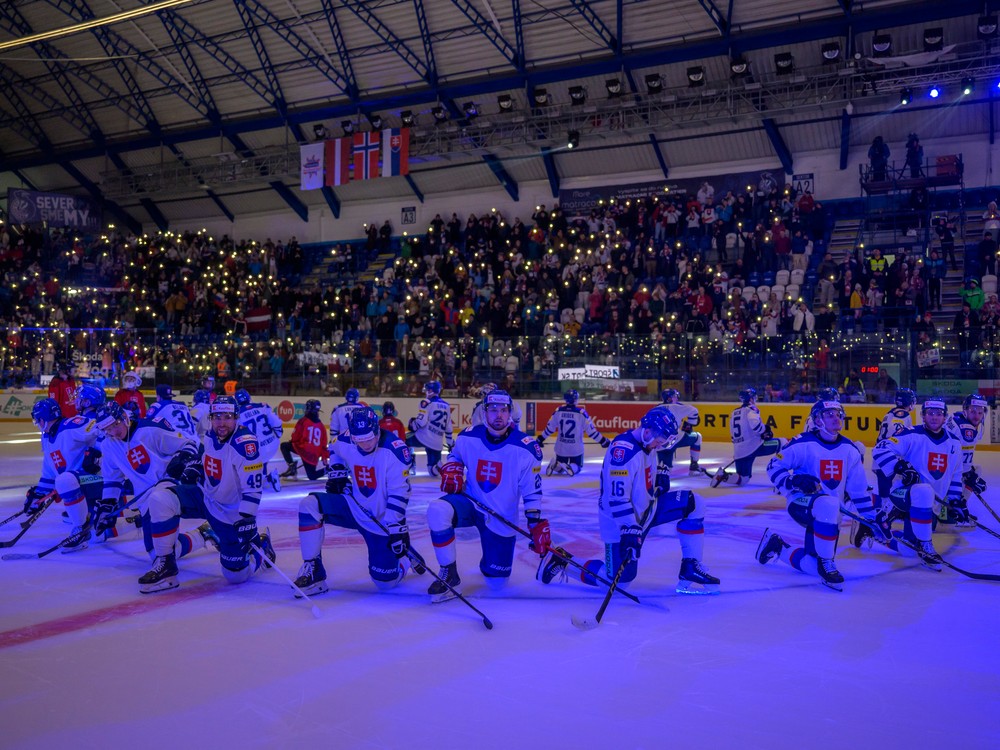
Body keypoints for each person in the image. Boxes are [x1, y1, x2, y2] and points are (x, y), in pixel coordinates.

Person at [539, 408, 720, 595]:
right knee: (618, 583)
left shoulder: (646, 442)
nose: (659, 446)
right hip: (620, 522)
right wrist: (629, 527)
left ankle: (690, 567)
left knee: (695, 504)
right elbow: (616, 498)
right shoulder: (623, 453)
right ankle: (563, 561)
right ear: (648, 431)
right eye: (659, 441)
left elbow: (640, 474)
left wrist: (658, 477)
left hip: (647, 509)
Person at [141, 396, 274, 594]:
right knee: (160, 499)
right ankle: (166, 566)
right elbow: (211, 464)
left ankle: (261, 548)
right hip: (205, 497)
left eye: (227, 417)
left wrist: (248, 521)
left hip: (230, 514)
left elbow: (253, 488)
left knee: (235, 576)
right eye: (217, 417)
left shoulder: (245, 444)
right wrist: (195, 466)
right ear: (211, 418)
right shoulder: (211, 434)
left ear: (236, 418)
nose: (222, 423)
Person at [425, 390, 549, 601]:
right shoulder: (468, 436)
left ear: (510, 413)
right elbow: (455, 455)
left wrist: (535, 521)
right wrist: (453, 467)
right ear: (484, 413)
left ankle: (490, 561)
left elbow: (532, 490)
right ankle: (449, 573)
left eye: (503, 410)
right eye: (493, 410)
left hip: (501, 516)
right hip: (470, 502)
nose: (498, 415)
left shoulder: (526, 448)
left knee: (497, 582)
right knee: (437, 509)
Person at [293, 407, 422, 596]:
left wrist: (395, 527)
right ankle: (313, 570)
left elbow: (399, 493)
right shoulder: (347, 439)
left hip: (381, 521)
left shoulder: (395, 451)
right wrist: (337, 470)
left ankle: (404, 560)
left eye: (369, 439)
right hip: (353, 506)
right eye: (359, 440)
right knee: (309, 505)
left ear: (377, 430)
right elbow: (334, 447)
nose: (365, 444)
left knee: (385, 583)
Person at [92, 402, 216, 585]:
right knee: (156, 553)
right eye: (108, 429)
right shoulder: (109, 446)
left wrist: (180, 459)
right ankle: (203, 534)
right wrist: (107, 505)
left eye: (115, 425)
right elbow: (112, 479)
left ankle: (169, 565)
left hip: (169, 487)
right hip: (145, 498)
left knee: (162, 553)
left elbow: (190, 444)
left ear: (124, 418)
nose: (114, 432)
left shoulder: (150, 430)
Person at [758, 400, 875, 589]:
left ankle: (777, 546)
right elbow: (773, 465)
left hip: (830, 514)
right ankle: (827, 562)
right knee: (828, 506)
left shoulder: (849, 449)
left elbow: (858, 491)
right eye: (829, 415)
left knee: (813, 565)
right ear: (818, 420)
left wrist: (872, 518)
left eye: (838, 414)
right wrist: (792, 481)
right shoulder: (802, 443)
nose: (836, 418)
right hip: (801, 502)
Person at [865, 399, 964, 569]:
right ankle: (927, 547)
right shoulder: (910, 434)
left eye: (938, 414)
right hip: (903, 495)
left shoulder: (954, 443)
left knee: (909, 549)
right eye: (930, 413)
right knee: (924, 491)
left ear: (944, 417)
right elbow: (880, 448)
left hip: (931, 504)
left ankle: (873, 532)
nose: (934, 417)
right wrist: (899, 466)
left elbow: (956, 475)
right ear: (923, 416)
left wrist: (955, 500)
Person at [24, 398, 104, 552]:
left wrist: (96, 452)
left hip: (99, 476)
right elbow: (49, 472)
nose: (38, 424)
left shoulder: (72, 425)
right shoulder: (46, 437)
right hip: (81, 480)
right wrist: (38, 496)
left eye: (38, 420)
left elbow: (102, 427)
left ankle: (80, 529)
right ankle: (82, 521)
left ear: (43, 419)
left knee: (64, 481)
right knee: (64, 480)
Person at [711, 387, 784, 487]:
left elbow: (733, 436)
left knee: (743, 479)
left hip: (739, 451)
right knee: (782, 442)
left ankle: (724, 476)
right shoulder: (752, 409)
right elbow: (756, 426)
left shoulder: (734, 412)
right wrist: (765, 430)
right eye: (754, 397)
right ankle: (780, 473)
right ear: (751, 399)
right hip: (754, 447)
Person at [536, 389, 609, 476]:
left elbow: (550, 429)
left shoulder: (558, 411)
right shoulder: (581, 413)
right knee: (578, 467)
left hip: (561, 448)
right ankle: (571, 467)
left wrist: (541, 438)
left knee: (561, 469)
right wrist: (603, 441)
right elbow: (591, 432)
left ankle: (555, 465)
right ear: (576, 399)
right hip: (576, 449)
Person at [944, 393, 989, 522]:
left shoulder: (958, 417)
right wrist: (969, 475)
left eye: (980, 412)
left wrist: (969, 474)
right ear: (966, 410)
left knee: (976, 470)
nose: (976, 416)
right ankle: (955, 506)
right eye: (973, 411)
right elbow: (960, 461)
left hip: (944, 463)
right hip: (944, 468)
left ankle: (960, 503)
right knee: (973, 474)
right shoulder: (966, 430)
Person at [234, 388, 284, 492]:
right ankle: (266, 476)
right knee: (262, 459)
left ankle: (264, 478)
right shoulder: (262, 406)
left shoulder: (237, 415)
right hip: (272, 445)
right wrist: (278, 435)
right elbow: (277, 423)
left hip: (255, 450)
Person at [873, 388, 917, 504]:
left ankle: (882, 510)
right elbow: (899, 436)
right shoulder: (904, 415)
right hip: (891, 458)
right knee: (892, 494)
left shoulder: (890, 413)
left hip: (880, 456)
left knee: (884, 495)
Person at [407, 380, 454, 476]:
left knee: (402, 440)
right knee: (432, 472)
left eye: (427, 390)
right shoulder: (447, 405)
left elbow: (421, 422)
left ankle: (410, 464)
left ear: (431, 391)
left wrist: (412, 425)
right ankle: (440, 465)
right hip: (437, 443)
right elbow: (448, 427)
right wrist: (450, 443)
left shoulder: (427, 402)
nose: (426, 392)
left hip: (422, 438)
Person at [655, 388, 702, 473]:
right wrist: (690, 423)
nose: (676, 398)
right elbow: (694, 411)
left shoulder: (655, 408)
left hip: (659, 442)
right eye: (674, 396)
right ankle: (694, 466)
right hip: (674, 438)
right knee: (698, 437)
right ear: (669, 398)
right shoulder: (677, 407)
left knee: (664, 471)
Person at [280, 399, 329, 480]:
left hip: (303, 449)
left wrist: (292, 443)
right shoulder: (322, 426)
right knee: (312, 476)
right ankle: (329, 469)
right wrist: (324, 457)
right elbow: (324, 444)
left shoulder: (303, 421)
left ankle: (292, 467)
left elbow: (296, 436)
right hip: (313, 455)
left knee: (284, 446)